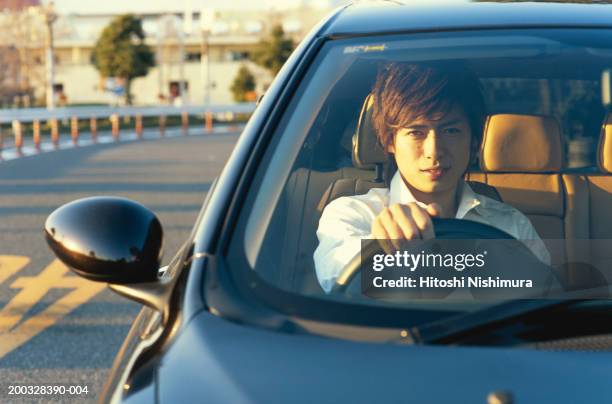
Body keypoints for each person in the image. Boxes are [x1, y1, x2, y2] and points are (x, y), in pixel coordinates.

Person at [313, 62, 551, 293]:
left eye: (451, 131)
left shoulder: (511, 224)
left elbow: (542, 300)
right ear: (390, 141)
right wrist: (378, 246)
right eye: (416, 132)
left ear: (474, 142)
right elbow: (336, 275)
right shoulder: (351, 215)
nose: (434, 151)